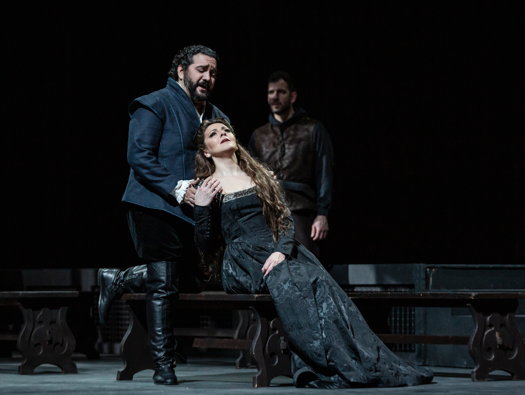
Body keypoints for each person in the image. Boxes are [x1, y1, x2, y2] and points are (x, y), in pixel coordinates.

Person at [192, 117, 433, 389]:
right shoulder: (208, 186)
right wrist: (201, 207)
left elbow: (284, 220)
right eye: (214, 133)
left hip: (275, 251)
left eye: (226, 130)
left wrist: (282, 251)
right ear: (206, 151)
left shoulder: (259, 174)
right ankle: (317, 364)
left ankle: (351, 358)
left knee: (320, 281)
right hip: (242, 260)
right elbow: (205, 245)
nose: (223, 133)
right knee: (292, 281)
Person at [97, 44, 228, 386]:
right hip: (155, 204)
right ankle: (163, 364)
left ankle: (120, 278)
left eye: (213, 72)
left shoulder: (217, 116)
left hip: (194, 212)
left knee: (195, 277)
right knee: (165, 283)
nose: (207, 77)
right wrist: (178, 188)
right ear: (181, 70)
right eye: (201, 70)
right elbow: (139, 156)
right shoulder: (154, 103)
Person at [248, 70, 334, 259]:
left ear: (292, 96)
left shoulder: (312, 129)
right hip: (267, 211)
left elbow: (324, 173)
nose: (275, 97)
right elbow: (250, 176)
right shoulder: (259, 135)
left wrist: (322, 213)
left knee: (304, 265)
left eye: (281, 92)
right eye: (271, 92)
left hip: (301, 210)